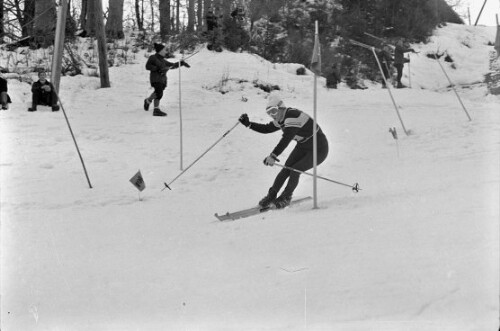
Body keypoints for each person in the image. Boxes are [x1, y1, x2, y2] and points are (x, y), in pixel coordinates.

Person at [238, 94, 329, 209]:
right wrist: (249, 124)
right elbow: (267, 129)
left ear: (281, 108)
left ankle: (286, 197)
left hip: (319, 149)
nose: (272, 115)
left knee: (296, 169)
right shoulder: (281, 118)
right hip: (303, 146)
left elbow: (287, 138)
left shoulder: (293, 117)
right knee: (286, 169)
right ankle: (271, 196)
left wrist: (273, 155)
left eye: (274, 111)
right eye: (269, 113)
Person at [144, 43, 191, 117]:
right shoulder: (153, 57)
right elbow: (147, 66)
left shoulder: (163, 60)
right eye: (164, 50)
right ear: (160, 50)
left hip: (162, 79)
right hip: (155, 78)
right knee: (159, 92)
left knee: (159, 93)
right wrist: (157, 69)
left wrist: (181, 63)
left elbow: (171, 65)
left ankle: (148, 100)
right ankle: (156, 110)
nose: (165, 51)